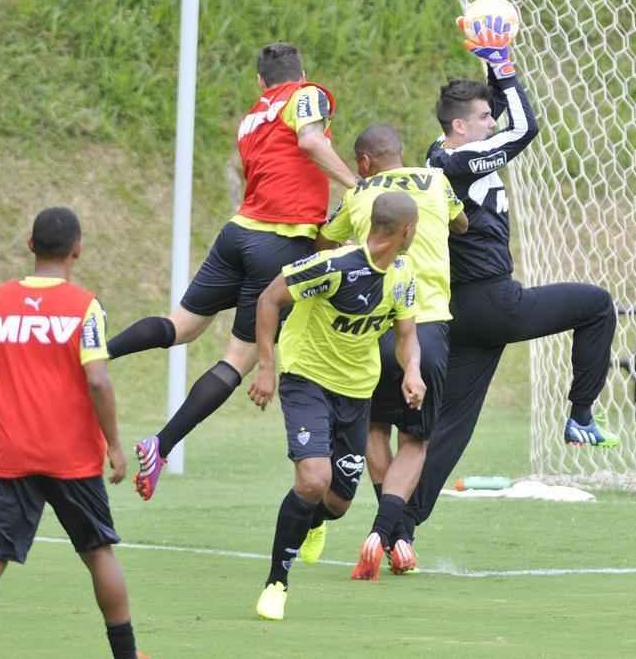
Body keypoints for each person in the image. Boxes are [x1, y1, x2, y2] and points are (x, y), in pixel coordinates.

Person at [403, 15, 620, 551]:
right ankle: (580, 415)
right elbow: (525, 128)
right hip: (494, 301)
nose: (491, 123)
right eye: (481, 118)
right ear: (460, 126)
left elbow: (505, 115)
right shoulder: (463, 160)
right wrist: (502, 61)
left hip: (463, 311)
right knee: (596, 306)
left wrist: (489, 67)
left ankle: (397, 529)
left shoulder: (446, 150)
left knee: (451, 430)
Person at [107, 42, 357, 500]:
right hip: (278, 242)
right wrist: (357, 188)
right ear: (300, 74)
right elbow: (311, 141)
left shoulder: (251, 118)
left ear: (260, 82)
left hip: (237, 232)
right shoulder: (307, 94)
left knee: (181, 326)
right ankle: (159, 446)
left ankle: (97, 354)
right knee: (237, 360)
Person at [0, 207, 146, 659]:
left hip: (11, 456)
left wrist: (3, 425)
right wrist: (115, 445)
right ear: (77, 249)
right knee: (99, 553)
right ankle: (126, 653)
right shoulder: (84, 306)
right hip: (73, 458)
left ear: (30, 245)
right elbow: (98, 380)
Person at [248, 191, 424, 620]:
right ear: (406, 231)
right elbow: (269, 299)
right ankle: (276, 583)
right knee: (312, 480)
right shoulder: (333, 268)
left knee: (338, 502)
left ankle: (312, 522)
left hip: (357, 391)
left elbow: (405, 335)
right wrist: (267, 368)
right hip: (307, 379)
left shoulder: (403, 275)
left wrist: (413, 370)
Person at [314, 123, 468, 577]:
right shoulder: (437, 181)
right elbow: (462, 223)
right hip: (429, 324)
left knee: (374, 429)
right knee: (417, 439)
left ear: (363, 162)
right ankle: (386, 534)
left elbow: (325, 240)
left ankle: (397, 535)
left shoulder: (360, 194)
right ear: (400, 153)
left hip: (374, 323)